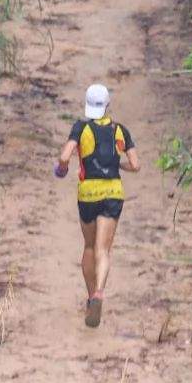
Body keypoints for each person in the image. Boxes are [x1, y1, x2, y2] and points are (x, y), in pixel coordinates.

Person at [54, 82, 139, 327]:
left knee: (89, 247)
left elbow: (64, 155)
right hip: (113, 192)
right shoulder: (120, 130)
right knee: (104, 250)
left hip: (88, 194)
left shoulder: (81, 128)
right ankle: (101, 291)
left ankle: (91, 298)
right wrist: (117, 166)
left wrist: (62, 168)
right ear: (108, 105)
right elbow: (136, 165)